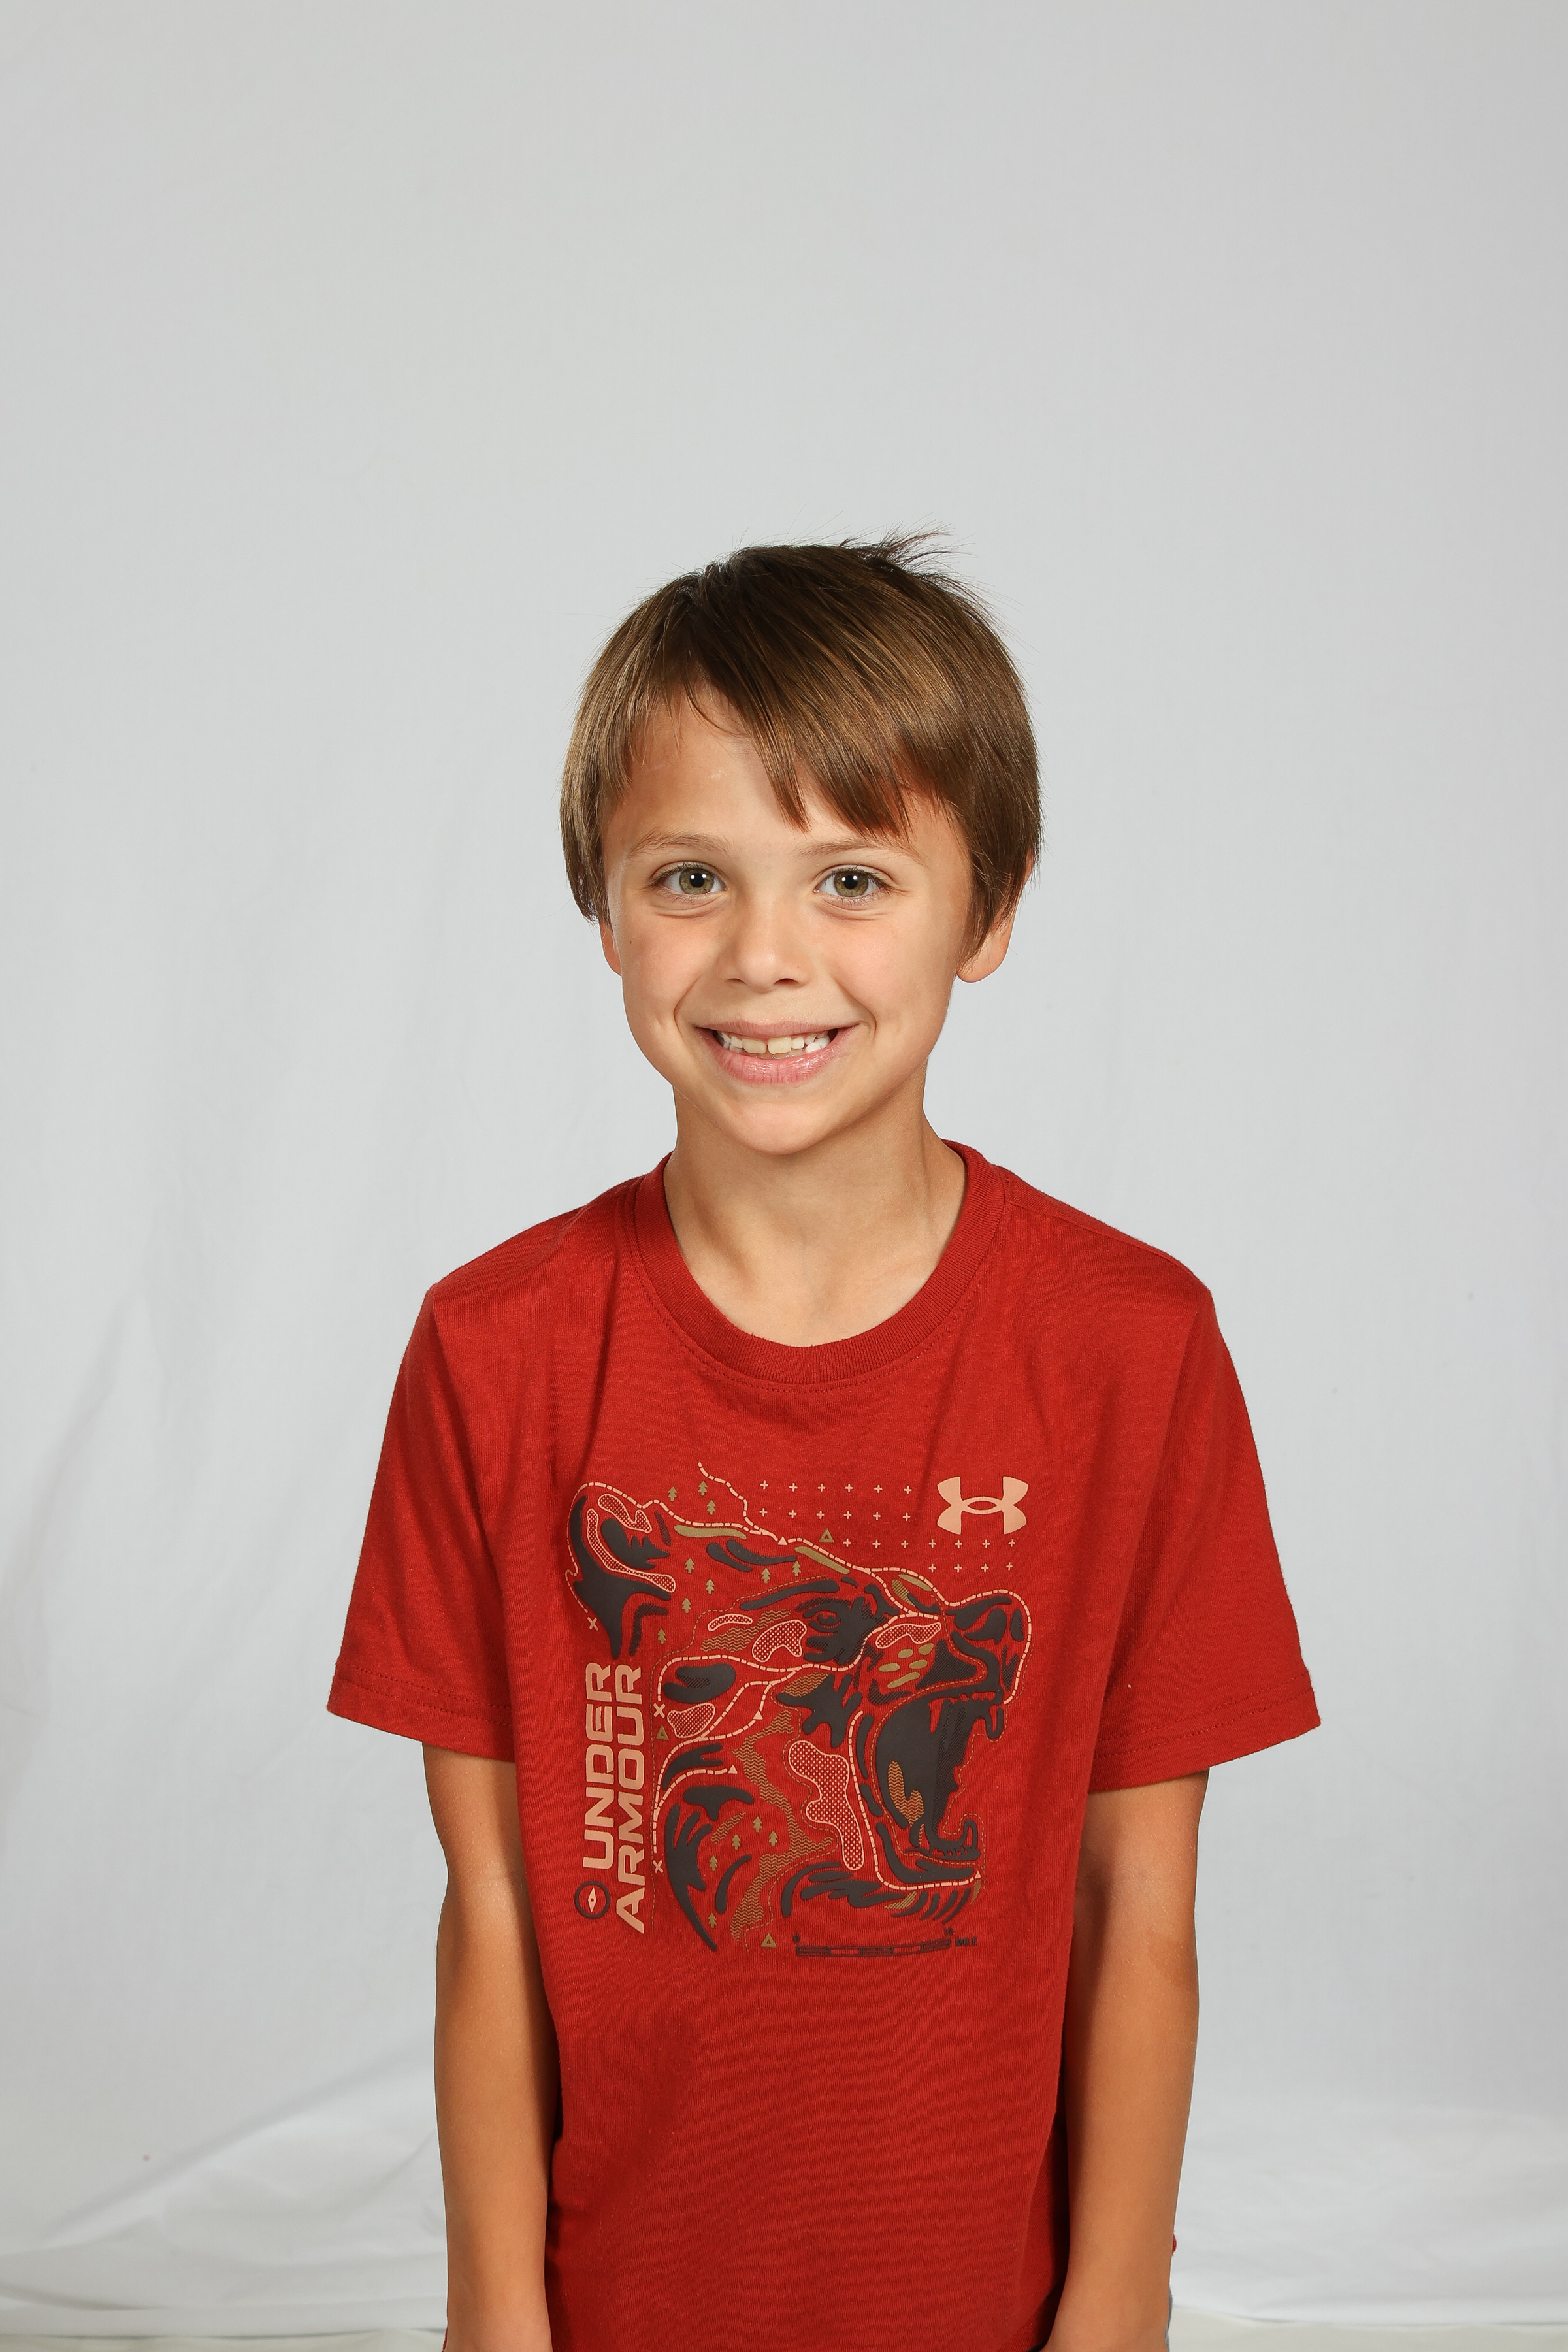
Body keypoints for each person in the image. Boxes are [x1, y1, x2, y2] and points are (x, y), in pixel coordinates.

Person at [327, 538, 1318, 2352]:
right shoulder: (493, 1352)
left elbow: (1139, 1912)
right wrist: (493, 2321)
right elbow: (496, 1911)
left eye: (852, 876)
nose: (765, 956)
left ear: (988, 910)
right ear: (605, 907)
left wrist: (1119, 2313)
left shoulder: (1132, 1349)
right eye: (691, 876)